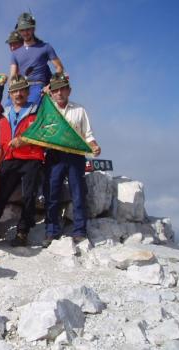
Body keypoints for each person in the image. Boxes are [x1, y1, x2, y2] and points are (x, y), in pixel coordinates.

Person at [43, 73, 101, 247]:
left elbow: (88, 135)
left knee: (78, 194)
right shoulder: (46, 110)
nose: (59, 92)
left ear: (69, 90)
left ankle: (79, 231)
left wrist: (95, 146)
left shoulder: (80, 110)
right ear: (51, 92)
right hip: (54, 156)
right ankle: (51, 231)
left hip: (76, 156)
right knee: (52, 194)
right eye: (55, 89)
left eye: (62, 88)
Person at [0, 76, 44, 246]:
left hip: (31, 158)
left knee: (29, 196)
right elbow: (0, 143)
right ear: (10, 94)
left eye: (22, 90)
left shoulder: (37, 111)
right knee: (0, 195)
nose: (18, 94)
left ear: (27, 92)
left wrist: (24, 141)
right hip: (9, 159)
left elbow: (43, 135)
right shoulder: (4, 115)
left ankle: (22, 232)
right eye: (14, 91)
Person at [9, 12, 64, 103]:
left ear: (33, 29)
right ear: (19, 31)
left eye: (28, 29)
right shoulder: (15, 53)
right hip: (20, 89)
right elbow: (12, 76)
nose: (25, 33)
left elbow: (59, 67)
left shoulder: (45, 47)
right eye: (22, 30)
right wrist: (12, 91)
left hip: (39, 88)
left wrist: (50, 85)